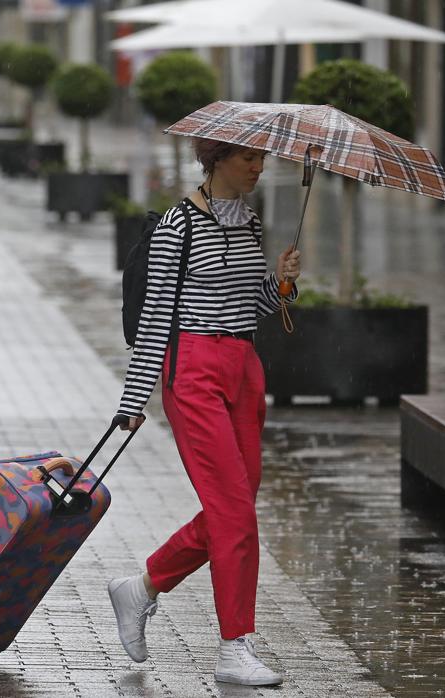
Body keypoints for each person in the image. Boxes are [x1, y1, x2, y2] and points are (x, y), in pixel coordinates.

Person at [107, 137, 301, 686]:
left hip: (243, 366)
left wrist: (282, 282)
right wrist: (134, 400)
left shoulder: (249, 223)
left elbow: (251, 303)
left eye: (262, 159)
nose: (259, 168)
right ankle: (234, 646)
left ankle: (142, 587)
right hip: (192, 369)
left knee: (234, 506)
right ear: (216, 160)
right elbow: (155, 317)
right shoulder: (177, 227)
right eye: (248, 159)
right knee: (235, 511)